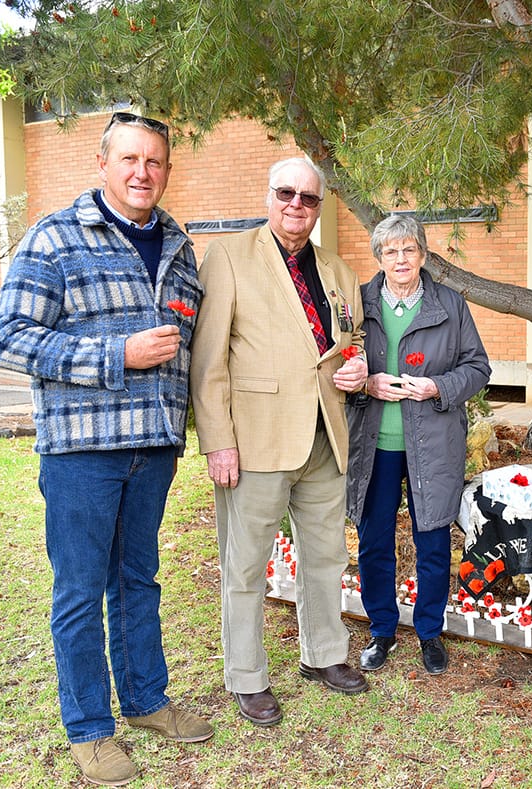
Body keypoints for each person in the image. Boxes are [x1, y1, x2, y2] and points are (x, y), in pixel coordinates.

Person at [0, 112, 212, 786]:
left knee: (138, 580)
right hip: (83, 452)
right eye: (130, 159)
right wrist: (117, 353)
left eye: (155, 162)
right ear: (102, 161)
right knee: (82, 590)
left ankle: (146, 700)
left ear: (167, 170)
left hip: (153, 449)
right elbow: (9, 337)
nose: (143, 172)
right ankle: (89, 728)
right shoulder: (55, 238)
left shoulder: (176, 244)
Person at [190, 156, 370, 727]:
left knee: (326, 557)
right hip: (256, 441)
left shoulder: (339, 270)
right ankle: (246, 675)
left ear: (320, 206)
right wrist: (218, 440)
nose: (297, 205)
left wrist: (358, 366)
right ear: (269, 195)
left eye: (308, 198)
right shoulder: (228, 257)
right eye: (286, 193)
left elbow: (352, 337)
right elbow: (208, 359)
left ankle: (325, 655)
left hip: (325, 437)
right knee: (245, 565)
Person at [346, 215, 491, 676]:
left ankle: (430, 631)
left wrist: (437, 387)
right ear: (380, 257)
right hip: (376, 444)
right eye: (391, 251)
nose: (401, 259)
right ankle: (382, 629)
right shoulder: (358, 304)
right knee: (374, 542)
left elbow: (478, 367)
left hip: (432, 442)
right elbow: (336, 365)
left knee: (431, 538)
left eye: (409, 249)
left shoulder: (450, 304)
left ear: (423, 255)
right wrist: (365, 382)